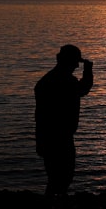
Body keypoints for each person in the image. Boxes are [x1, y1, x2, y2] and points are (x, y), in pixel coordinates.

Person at [34, 44, 93, 196]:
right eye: (75, 62)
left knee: (57, 177)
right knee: (61, 177)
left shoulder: (46, 81)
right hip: (59, 137)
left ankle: (54, 207)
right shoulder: (65, 81)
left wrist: (39, 140)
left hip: (50, 136)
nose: (76, 66)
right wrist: (88, 71)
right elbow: (83, 89)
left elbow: (39, 116)